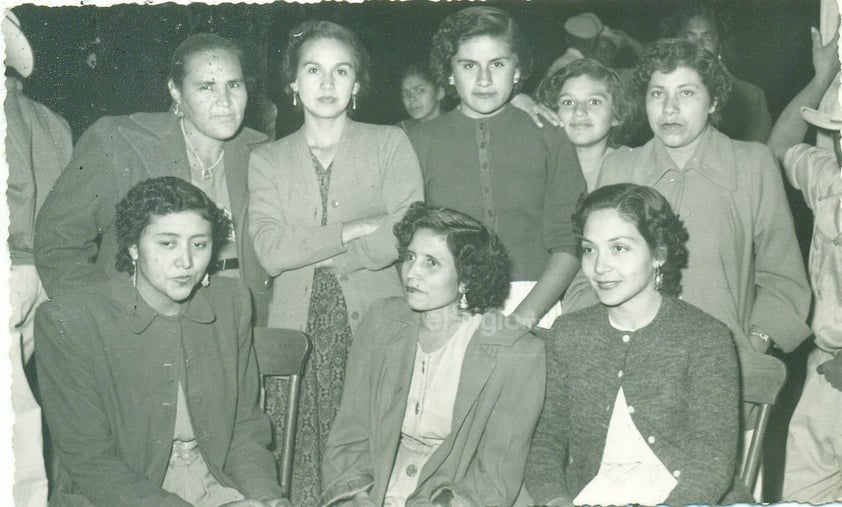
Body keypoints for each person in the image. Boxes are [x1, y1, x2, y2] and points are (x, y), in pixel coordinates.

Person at [247, 20, 424, 505]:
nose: (326, 84)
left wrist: (356, 254)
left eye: (340, 71)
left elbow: (407, 225)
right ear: (292, 83)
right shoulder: (267, 159)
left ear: (357, 84)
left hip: (376, 320)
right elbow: (270, 249)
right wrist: (350, 231)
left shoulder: (389, 143)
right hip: (296, 325)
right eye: (313, 70)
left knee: (370, 451)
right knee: (299, 455)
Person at [35, 177, 287, 507]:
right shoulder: (71, 319)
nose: (186, 262)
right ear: (132, 247)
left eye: (199, 244)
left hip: (212, 480)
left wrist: (267, 499)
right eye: (167, 243)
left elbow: (245, 427)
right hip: (116, 495)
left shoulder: (231, 303)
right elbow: (89, 461)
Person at [580, 38, 811, 357]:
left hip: (722, 363)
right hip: (629, 360)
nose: (669, 108)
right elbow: (589, 273)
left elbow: (784, 279)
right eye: (657, 93)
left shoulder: (752, 165)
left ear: (713, 101)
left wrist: (753, 346)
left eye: (686, 93)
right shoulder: (619, 167)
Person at [33, 33, 273, 325]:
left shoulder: (262, 152)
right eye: (206, 87)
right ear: (175, 90)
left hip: (238, 323)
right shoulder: (121, 141)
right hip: (143, 324)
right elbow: (58, 240)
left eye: (233, 85)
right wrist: (97, 318)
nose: (224, 101)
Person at [524, 183, 741, 506]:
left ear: (658, 254)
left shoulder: (704, 337)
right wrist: (554, 500)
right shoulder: (569, 333)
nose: (599, 267)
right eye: (589, 249)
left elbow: (711, 463)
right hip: (595, 494)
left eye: (619, 248)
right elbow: (545, 440)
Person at [321, 202, 545, 506]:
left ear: (466, 279)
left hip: (456, 493)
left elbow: (495, 474)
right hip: (379, 484)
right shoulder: (381, 323)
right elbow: (351, 434)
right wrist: (356, 498)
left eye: (432, 263)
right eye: (410, 257)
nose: (412, 272)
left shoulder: (515, 351)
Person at [408, 5, 586, 330]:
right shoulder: (418, 141)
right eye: (468, 65)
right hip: (444, 305)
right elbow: (406, 240)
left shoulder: (549, 135)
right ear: (449, 73)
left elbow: (569, 241)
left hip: (535, 305)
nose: (484, 79)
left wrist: (521, 322)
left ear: (516, 69)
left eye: (498, 64)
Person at [767, 27, 842, 503]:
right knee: (803, 494)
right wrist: (822, 78)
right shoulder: (827, 179)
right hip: (827, 370)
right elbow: (779, 145)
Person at [4, 9, 73, 506]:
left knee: (14, 417)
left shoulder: (13, 114)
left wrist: (23, 261)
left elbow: (20, 186)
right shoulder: (51, 120)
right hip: (40, 276)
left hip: (15, 269)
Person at [661, 0, 773, 142]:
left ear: (720, 43)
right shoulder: (656, 92)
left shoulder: (751, 98)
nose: (698, 45)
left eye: (707, 37)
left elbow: (757, 156)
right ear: (675, 41)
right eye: (688, 37)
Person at [535, 57, 634, 191]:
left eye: (594, 102)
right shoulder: (540, 166)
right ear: (553, 113)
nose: (579, 111)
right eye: (568, 102)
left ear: (616, 115)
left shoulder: (633, 166)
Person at [396, 62, 446, 131]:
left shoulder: (459, 125)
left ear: (440, 93)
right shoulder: (400, 131)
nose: (411, 98)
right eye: (406, 93)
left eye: (420, 90)